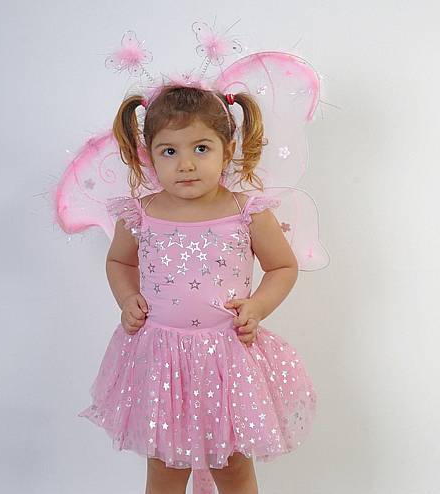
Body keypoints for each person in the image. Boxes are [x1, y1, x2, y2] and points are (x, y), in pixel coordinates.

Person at [76, 85, 318, 494]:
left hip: (227, 359)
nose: (186, 164)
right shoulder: (141, 214)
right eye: (169, 151)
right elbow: (119, 262)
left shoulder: (247, 213)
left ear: (228, 148)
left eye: (201, 148)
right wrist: (127, 298)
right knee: (165, 470)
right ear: (149, 156)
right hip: (161, 359)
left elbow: (282, 266)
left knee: (234, 468)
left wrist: (258, 306)